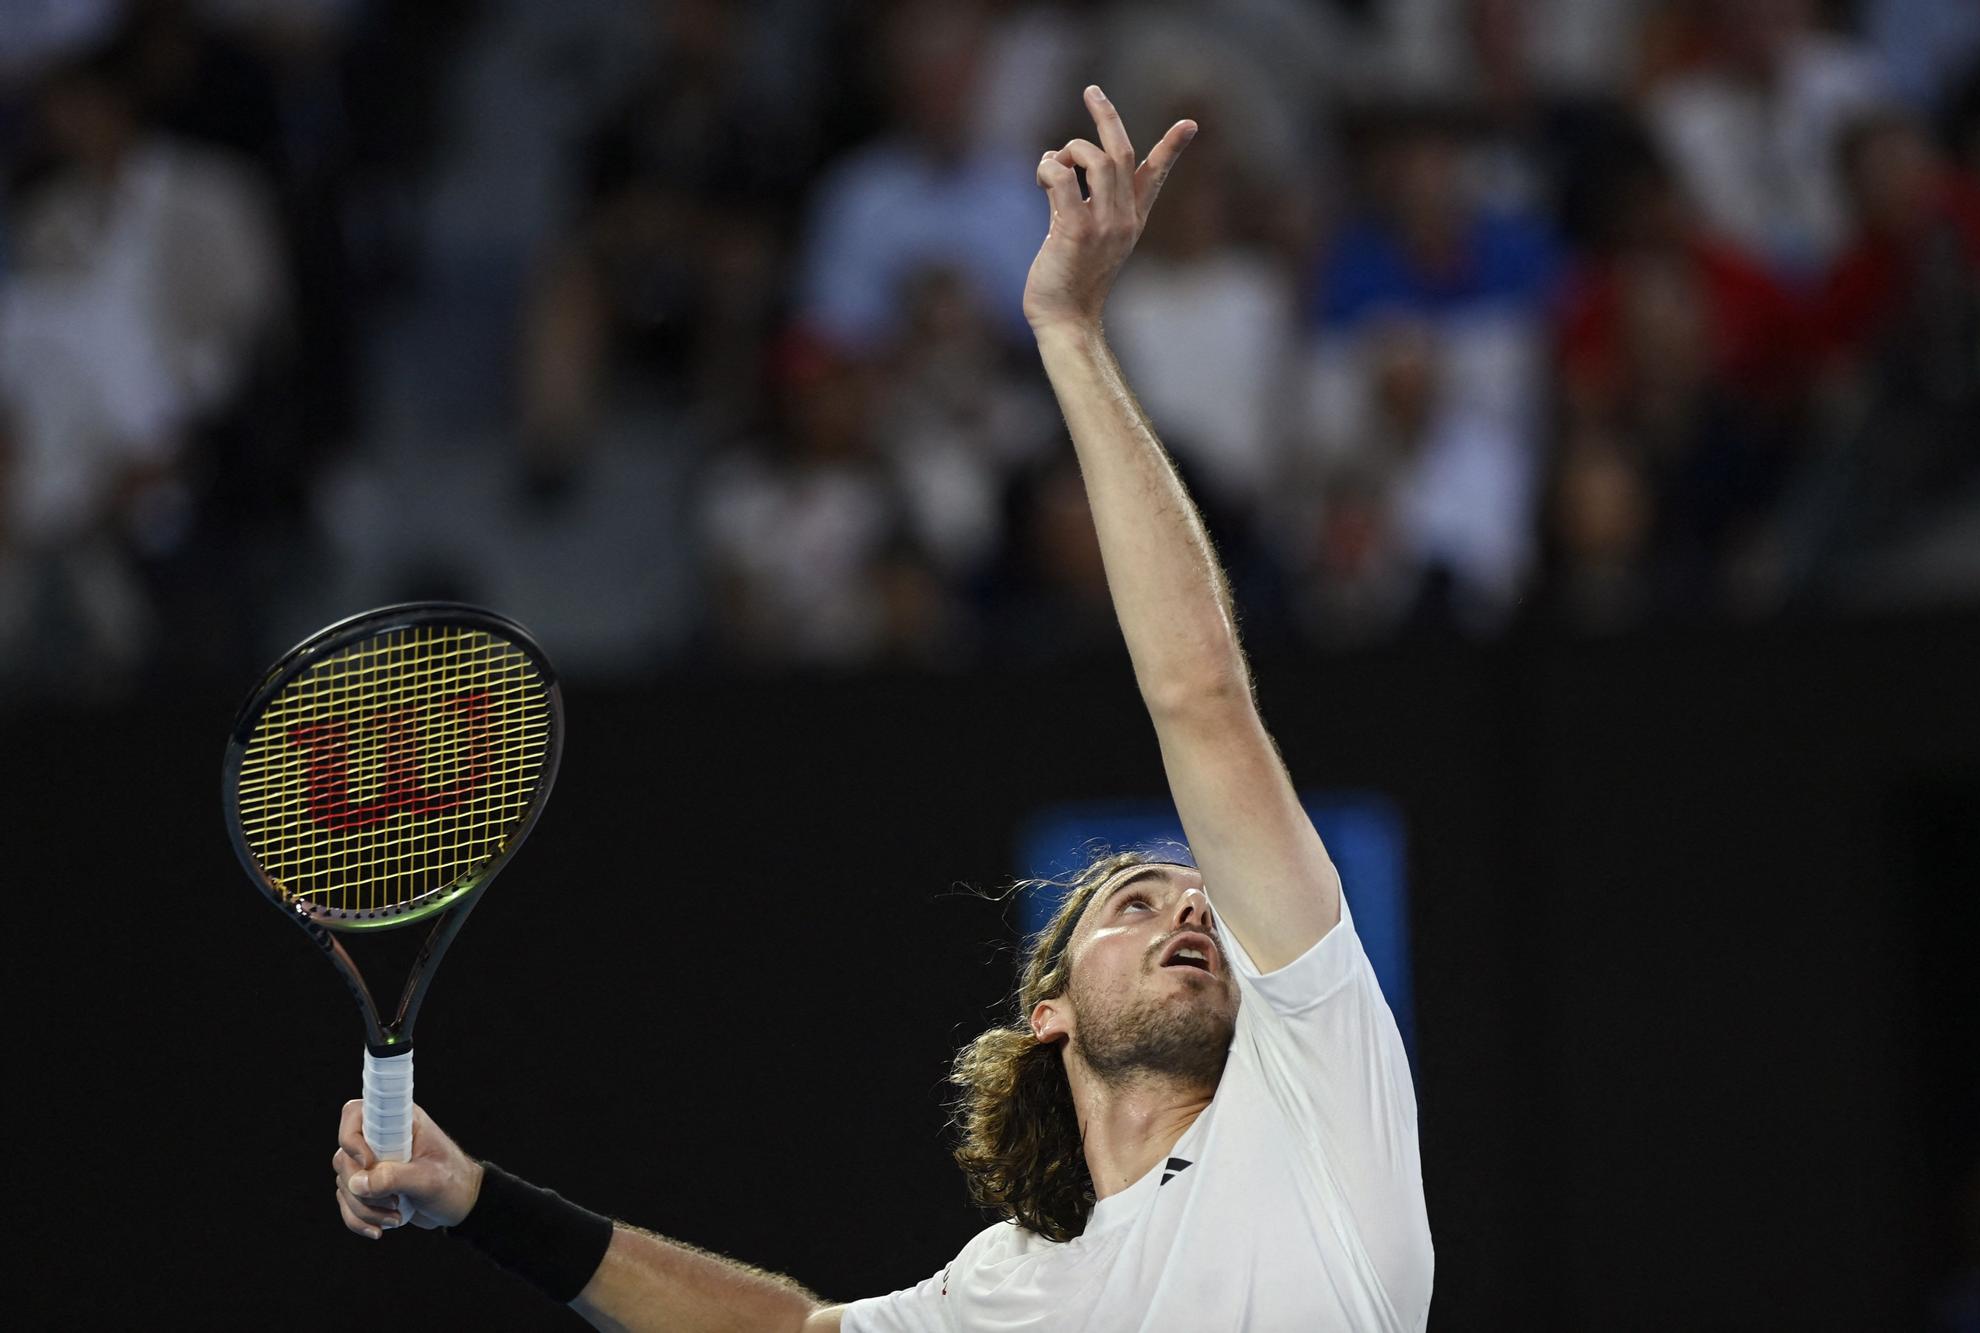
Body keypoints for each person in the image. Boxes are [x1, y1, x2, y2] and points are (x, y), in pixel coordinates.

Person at [329, 86, 1435, 1333]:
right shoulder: (1008, 1289)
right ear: (1049, 1008)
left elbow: (1200, 697)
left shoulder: (1318, 1088)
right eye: (1138, 898)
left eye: (1200, 902)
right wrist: (479, 1199)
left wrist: (1069, 333)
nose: (1193, 906)